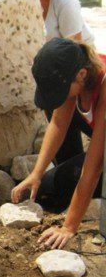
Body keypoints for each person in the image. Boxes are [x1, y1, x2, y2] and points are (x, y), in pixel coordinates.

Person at [11, 38, 106, 250]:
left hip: (102, 153)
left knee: (70, 183)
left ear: (81, 75)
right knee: (46, 189)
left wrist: (69, 227)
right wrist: (36, 173)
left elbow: (95, 164)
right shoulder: (79, 71)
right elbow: (58, 122)